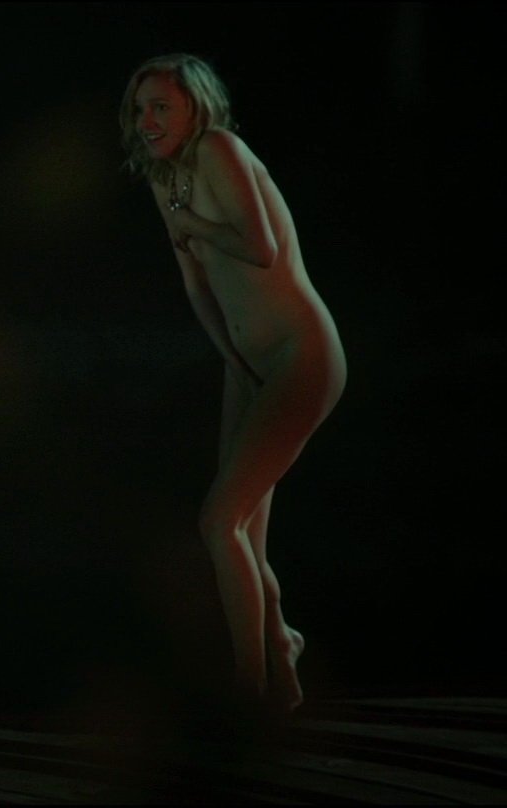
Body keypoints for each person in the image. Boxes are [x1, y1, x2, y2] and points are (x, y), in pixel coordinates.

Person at [119, 54, 347, 712]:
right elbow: (196, 285)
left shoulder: (220, 149)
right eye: (139, 109)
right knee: (243, 534)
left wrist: (194, 225)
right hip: (248, 365)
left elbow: (261, 248)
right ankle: (281, 659)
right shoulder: (165, 177)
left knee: (219, 522)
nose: (147, 121)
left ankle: (249, 693)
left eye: (161, 107)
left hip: (301, 355)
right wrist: (234, 360)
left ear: (195, 107)